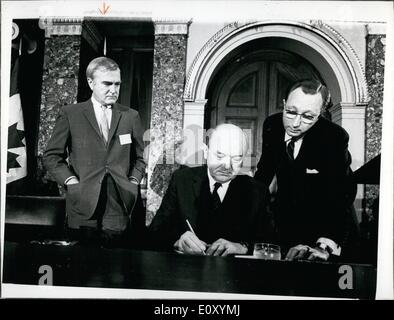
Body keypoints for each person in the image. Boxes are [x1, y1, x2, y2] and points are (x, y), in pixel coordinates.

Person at [43, 57, 146, 247]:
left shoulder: (131, 116)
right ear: (91, 83)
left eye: (117, 84)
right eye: (107, 83)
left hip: (119, 204)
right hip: (82, 203)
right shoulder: (71, 114)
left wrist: (132, 181)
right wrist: (71, 181)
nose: (113, 90)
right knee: (81, 267)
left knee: (115, 269)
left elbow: (141, 157)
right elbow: (51, 156)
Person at [254, 79, 359, 262]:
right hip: (286, 221)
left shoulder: (333, 137)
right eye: (291, 112)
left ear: (320, 115)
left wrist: (325, 245)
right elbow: (263, 174)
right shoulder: (272, 126)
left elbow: (342, 194)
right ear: (285, 103)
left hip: (325, 224)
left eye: (308, 117)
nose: (295, 123)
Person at [148, 124, 274, 256]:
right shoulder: (182, 180)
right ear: (206, 152)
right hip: (187, 270)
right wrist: (177, 242)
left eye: (236, 158)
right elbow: (156, 232)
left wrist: (243, 247)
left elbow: (271, 243)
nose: (227, 165)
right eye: (219, 156)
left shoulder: (257, 191)